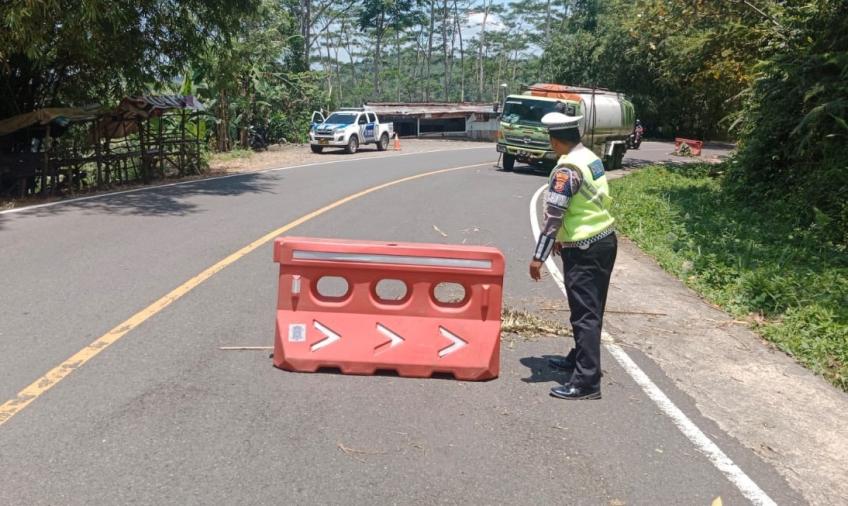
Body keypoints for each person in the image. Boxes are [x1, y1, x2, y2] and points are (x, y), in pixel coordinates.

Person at [529, 111, 618, 400]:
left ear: (554, 140)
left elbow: (554, 215)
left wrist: (539, 256)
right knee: (592, 309)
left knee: (585, 314)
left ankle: (587, 382)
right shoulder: (589, 157)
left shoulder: (566, 170)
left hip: (584, 249)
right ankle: (579, 358)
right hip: (604, 239)